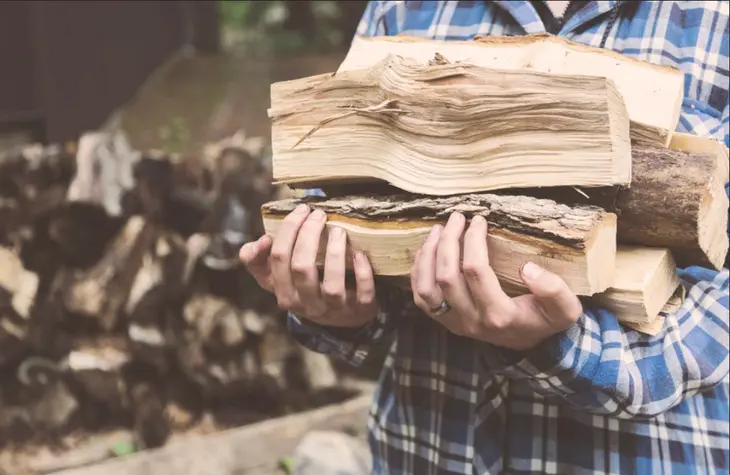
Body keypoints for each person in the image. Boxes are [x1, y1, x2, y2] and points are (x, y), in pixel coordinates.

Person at [240, 1, 730, 473]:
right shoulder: (405, 7)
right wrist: (342, 305)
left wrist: (565, 345)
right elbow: (359, 202)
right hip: (425, 450)